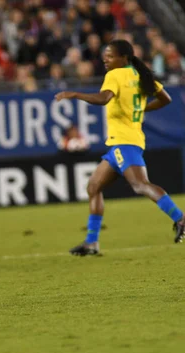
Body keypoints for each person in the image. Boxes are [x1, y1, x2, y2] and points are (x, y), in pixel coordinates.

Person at [55, 39, 185, 256]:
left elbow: (104, 98)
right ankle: (91, 243)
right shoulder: (142, 76)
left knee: (140, 185)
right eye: (105, 55)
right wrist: (142, 109)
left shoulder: (115, 75)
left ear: (123, 58)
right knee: (93, 187)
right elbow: (166, 99)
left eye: (110, 56)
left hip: (125, 142)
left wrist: (75, 94)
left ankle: (180, 218)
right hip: (123, 143)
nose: (106, 59)